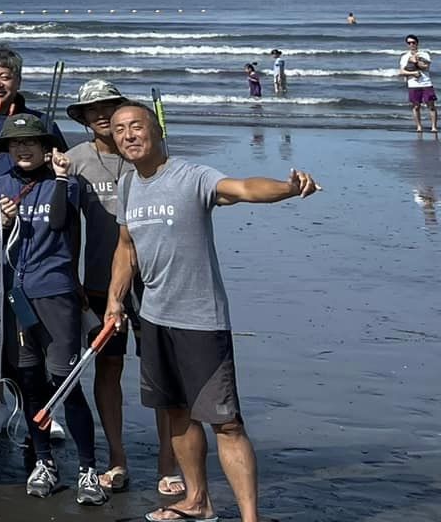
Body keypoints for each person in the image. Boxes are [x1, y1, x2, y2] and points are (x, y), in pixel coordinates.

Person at [105, 103, 319, 522]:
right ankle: (197, 501)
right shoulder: (128, 185)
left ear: (157, 129)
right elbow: (126, 248)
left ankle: (249, 517)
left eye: (136, 126)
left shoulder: (191, 177)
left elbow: (242, 188)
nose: (128, 135)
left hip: (201, 320)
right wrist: (116, 298)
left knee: (227, 423)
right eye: (118, 130)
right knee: (176, 413)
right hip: (154, 319)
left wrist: (288, 188)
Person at [0, 112, 104, 506]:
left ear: (46, 147)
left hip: (56, 294)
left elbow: (56, 224)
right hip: (15, 297)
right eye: (16, 144)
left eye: (31, 142)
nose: (23, 148)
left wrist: (62, 178)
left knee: (64, 382)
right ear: (6, 149)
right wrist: (0, 222)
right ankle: (44, 461)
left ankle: (88, 468)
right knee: (30, 382)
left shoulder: (64, 182)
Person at [59, 80, 140, 494]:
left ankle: (169, 461)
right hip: (97, 284)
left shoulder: (146, 154)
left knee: (166, 373)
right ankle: (117, 456)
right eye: (92, 110)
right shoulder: (72, 161)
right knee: (109, 368)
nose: (102, 114)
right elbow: (61, 230)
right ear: (83, 119)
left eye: (109, 105)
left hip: (156, 283)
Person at [400, 35, 435, 135]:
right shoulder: (404, 57)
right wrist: (412, 73)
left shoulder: (424, 54)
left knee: (431, 105)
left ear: (417, 43)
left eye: (413, 42)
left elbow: (426, 67)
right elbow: (402, 71)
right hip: (413, 84)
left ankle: (433, 127)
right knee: (416, 106)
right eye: (409, 43)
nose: (411, 44)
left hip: (426, 82)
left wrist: (416, 61)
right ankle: (419, 126)